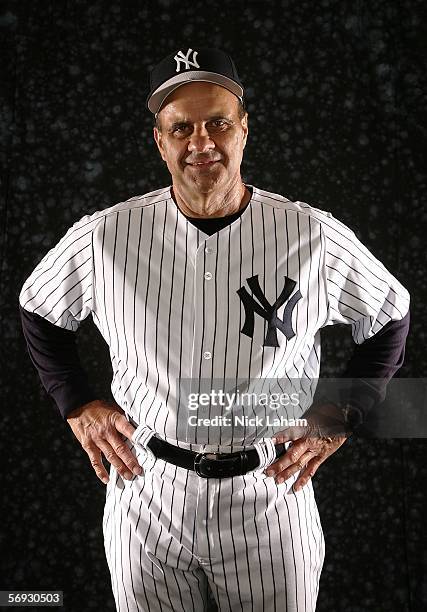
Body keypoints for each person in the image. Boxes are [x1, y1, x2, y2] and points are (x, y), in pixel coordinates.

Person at [19, 47, 410, 612]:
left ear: (243, 131)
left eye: (217, 123)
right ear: (160, 142)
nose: (200, 142)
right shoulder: (105, 237)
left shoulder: (310, 236)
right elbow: (38, 306)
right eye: (181, 128)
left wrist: (338, 417)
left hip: (271, 493)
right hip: (145, 493)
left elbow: (390, 315)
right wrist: (77, 403)